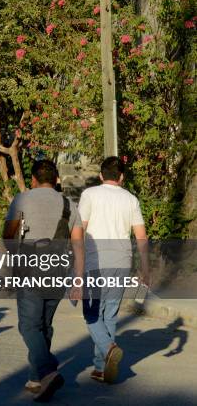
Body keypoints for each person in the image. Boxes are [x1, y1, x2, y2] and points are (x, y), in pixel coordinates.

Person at [3, 160, 84, 402]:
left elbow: (8, 234)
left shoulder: (22, 199)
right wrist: (78, 280)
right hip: (59, 270)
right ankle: (36, 378)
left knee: (29, 326)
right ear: (57, 179)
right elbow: (79, 244)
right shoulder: (69, 204)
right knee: (44, 325)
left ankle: (48, 370)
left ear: (33, 180)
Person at [78, 156, 149, 384]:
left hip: (95, 263)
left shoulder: (89, 195)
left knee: (91, 315)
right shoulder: (131, 199)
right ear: (121, 177)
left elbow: (80, 230)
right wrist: (145, 268)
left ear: (101, 175)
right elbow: (141, 236)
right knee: (109, 314)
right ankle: (101, 368)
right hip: (121, 262)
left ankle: (108, 349)